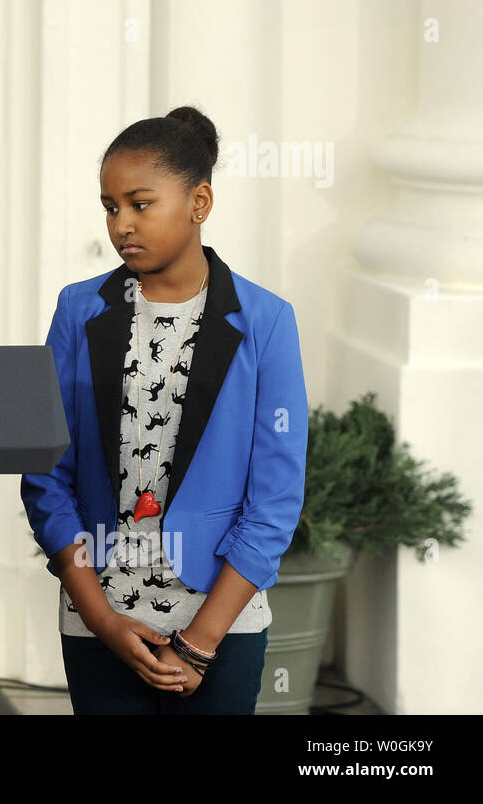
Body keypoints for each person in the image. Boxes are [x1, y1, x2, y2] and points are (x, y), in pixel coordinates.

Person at [20, 106, 306, 714]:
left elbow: (275, 500)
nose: (121, 223)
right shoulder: (78, 310)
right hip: (101, 619)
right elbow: (46, 473)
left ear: (199, 203)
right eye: (110, 206)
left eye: (140, 204)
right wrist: (99, 617)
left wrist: (199, 645)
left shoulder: (265, 323)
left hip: (220, 623)